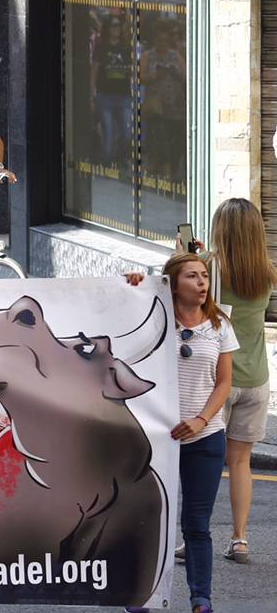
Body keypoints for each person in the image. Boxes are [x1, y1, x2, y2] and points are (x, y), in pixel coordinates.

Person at [125, 254, 235, 613]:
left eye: (205, 276)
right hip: (157, 437)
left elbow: (224, 382)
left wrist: (202, 419)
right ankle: (142, 594)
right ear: (173, 283)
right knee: (150, 517)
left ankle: (201, 599)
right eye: (193, 276)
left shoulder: (219, 324)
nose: (203, 283)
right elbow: (115, 323)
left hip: (205, 438)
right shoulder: (154, 320)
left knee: (196, 524)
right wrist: (133, 287)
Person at [207, 198, 277, 564]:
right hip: (256, 380)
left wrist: (182, 256)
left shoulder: (207, 268)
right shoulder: (267, 273)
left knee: (201, 464)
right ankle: (239, 539)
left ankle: (195, 537)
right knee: (240, 464)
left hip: (216, 380)